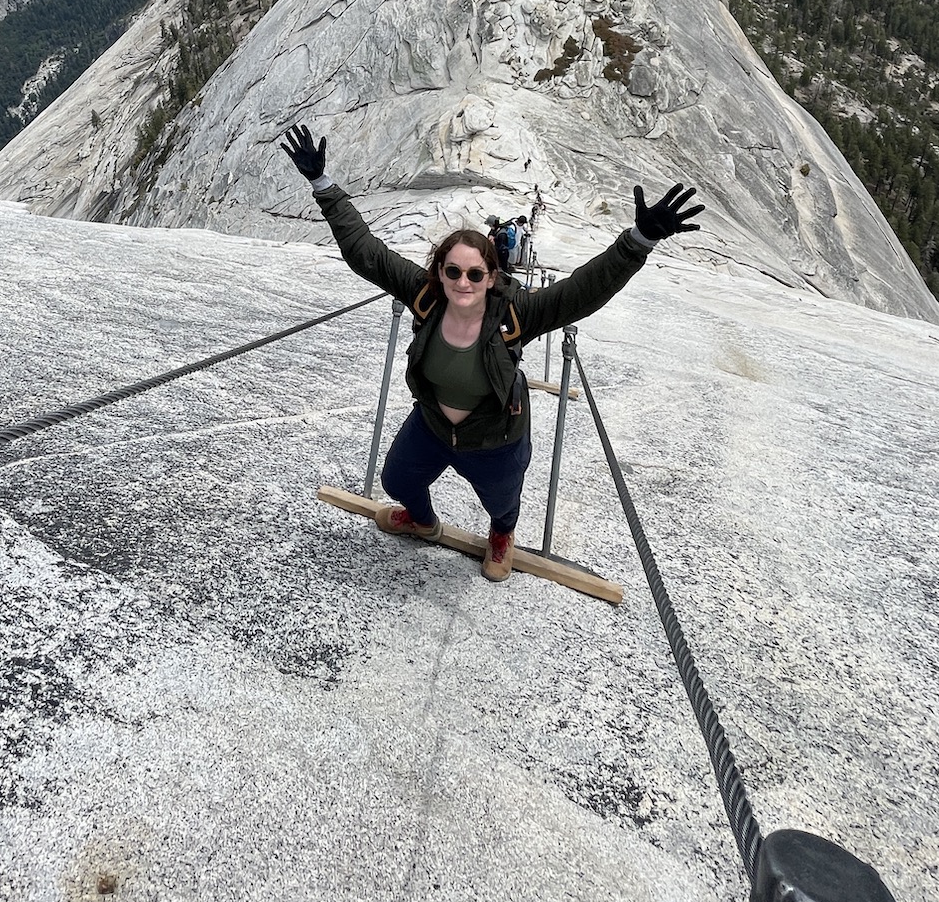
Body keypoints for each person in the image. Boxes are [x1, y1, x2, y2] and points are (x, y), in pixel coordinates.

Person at [280, 123, 702, 583]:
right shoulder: (426, 296)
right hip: (433, 423)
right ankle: (423, 521)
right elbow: (366, 252)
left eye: (475, 274)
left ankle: (502, 535)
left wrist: (637, 241)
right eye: (453, 271)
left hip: (495, 434)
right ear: (439, 272)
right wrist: (323, 185)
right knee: (397, 481)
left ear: (491, 275)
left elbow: (582, 292)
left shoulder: (515, 312)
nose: (463, 282)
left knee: (502, 503)